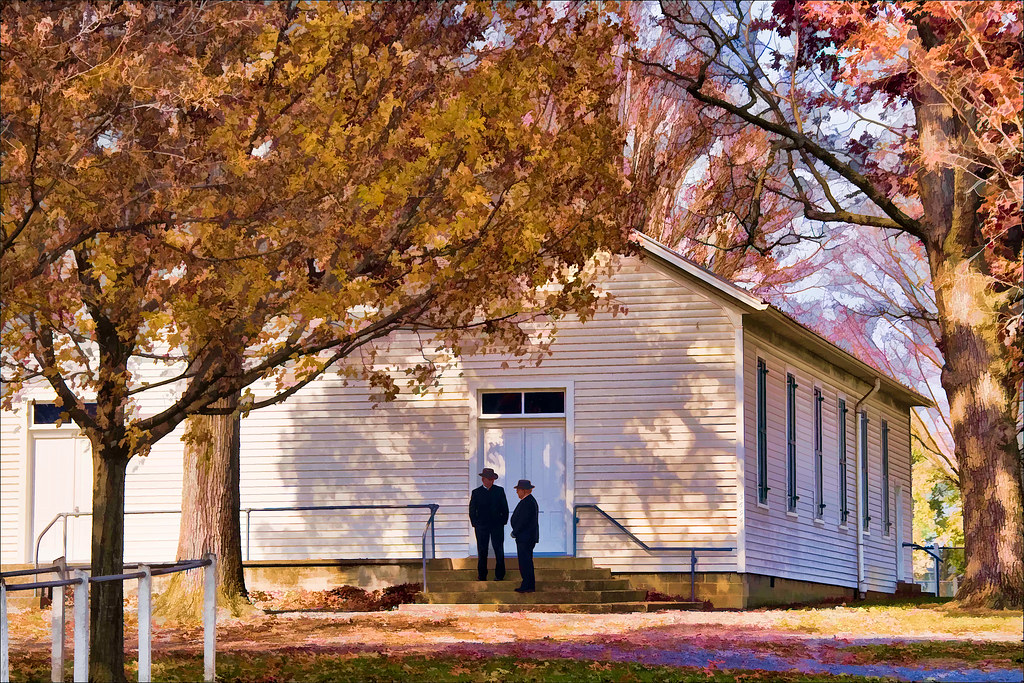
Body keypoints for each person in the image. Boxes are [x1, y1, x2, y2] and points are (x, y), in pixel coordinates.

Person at [468, 467, 508, 581]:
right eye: (488, 479)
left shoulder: (499, 491)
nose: (490, 481)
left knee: (498, 549)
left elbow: (504, 508)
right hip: (482, 526)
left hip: (496, 525)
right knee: (482, 550)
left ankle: (500, 575)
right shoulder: (476, 493)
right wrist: (475, 523)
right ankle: (482, 575)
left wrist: (502, 522)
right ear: (483, 479)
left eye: (492, 479)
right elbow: (472, 509)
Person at [510, 479, 539, 593]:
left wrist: (515, 532)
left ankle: (528, 585)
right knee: (524, 561)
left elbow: (524, 520)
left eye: (518, 490)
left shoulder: (528, 502)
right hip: (524, 537)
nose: (517, 492)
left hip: (525, 537)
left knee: (525, 561)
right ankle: (527, 584)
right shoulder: (527, 501)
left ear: (524, 490)